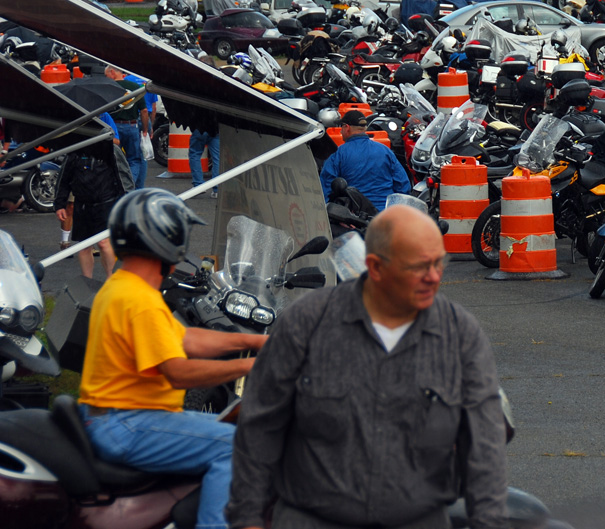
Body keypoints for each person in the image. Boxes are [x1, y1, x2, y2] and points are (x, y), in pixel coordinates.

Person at [228, 204, 509, 529]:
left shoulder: (460, 335)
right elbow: (260, 427)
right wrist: (247, 518)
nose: (434, 276)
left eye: (438, 262)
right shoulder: (307, 324)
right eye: (419, 266)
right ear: (375, 267)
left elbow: (484, 445)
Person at [79, 189, 265, 529]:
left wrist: (258, 341)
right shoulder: (140, 300)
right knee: (237, 445)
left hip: (112, 419)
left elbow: (187, 338)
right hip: (128, 424)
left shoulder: (123, 286)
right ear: (166, 238)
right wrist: (248, 365)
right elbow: (177, 371)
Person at [52, 117, 130, 279]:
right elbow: (64, 179)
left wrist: (127, 202)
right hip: (83, 205)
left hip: (106, 203)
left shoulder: (110, 150)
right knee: (84, 246)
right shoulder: (76, 151)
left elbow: (123, 177)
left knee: (104, 243)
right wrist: (59, 204)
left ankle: (111, 279)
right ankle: (87, 282)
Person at [320, 109, 411, 212]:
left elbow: (326, 188)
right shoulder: (385, 151)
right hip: (386, 213)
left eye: (341, 128)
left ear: (347, 128)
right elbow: (403, 185)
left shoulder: (337, 154)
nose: (340, 131)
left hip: (356, 217)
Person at [105, 65, 150, 188]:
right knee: (134, 159)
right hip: (132, 126)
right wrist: (145, 130)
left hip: (113, 129)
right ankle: (130, 185)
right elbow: (144, 111)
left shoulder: (108, 89)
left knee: (114, 158)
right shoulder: (135, 88)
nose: (106, 78)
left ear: (113, 72)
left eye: (106, 75)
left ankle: (117, 185)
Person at [189, 124, 221, 198]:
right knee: (217, 158)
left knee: (195, 154)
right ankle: (217, 188)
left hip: (200, 128)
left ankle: (198, 185)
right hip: (215, 129)